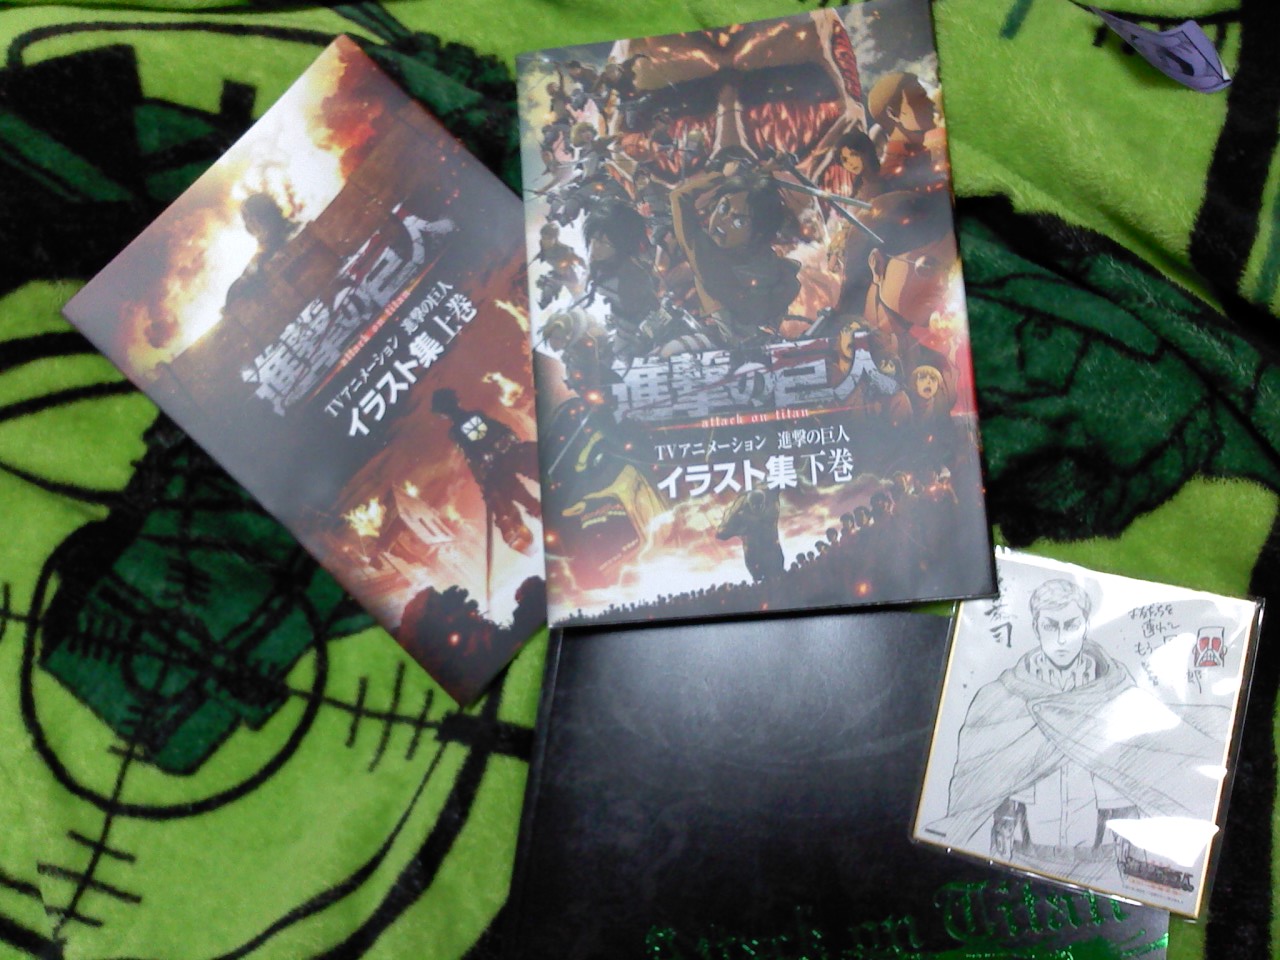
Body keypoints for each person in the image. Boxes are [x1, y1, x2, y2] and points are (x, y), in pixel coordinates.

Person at [929, 578, 1228, 883]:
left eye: (1071, 625)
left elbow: (1154, 767)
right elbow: (972, 791)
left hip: (1106, 866)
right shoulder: (999, 700)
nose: (1061, 638)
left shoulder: (1117, 693)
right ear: (1036, 627)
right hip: (1019, 859)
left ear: (1086, 625)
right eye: (1050, 626)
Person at [430, 389, 540, 554]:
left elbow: (473, 454)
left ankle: (531, 542)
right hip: (504, 461)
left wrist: (484, 481)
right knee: (512, 509)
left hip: (500, 465)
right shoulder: (474, 417)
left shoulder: (458, 430)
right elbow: (498, 432)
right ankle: (531, 542)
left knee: (510, 509)